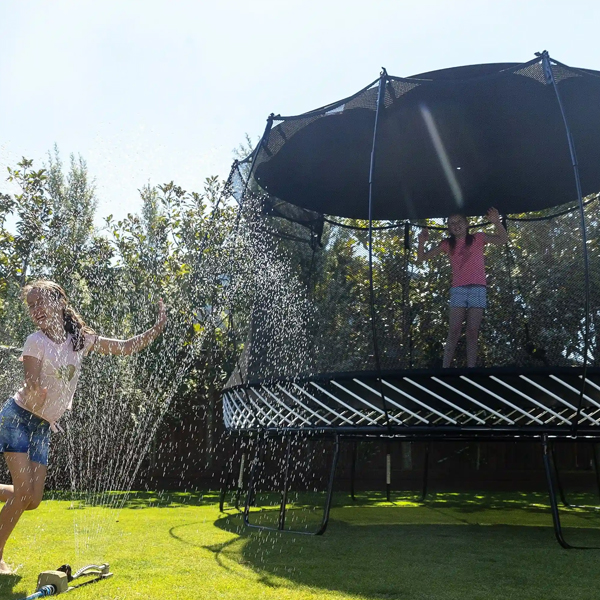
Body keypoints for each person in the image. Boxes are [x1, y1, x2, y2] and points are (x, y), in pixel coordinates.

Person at [0, 280, 167, 574]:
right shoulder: (34, 342)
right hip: (18, 418)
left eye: (41, 303)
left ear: (60, 303)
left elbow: (125, 347)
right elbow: (30, 382)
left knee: (33, 500)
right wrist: (34, 392)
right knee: (23, 492)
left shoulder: (79, 338)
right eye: (31, 305)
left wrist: (154, 330)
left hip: (41, 426)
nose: (36, 310)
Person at [417, 207, 508, 368]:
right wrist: (421, 242)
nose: (456, 225)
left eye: (459, 221)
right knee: (454, 330)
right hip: (458, 289)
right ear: (449, 228)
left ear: (466, 223)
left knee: (473, 331)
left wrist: (496, 222)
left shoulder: (478, 238)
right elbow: (421, 259)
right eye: (452, 224)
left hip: (478, 288)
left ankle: (471, 369)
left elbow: (503, 239)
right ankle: (445, 368)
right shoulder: (447, 244)